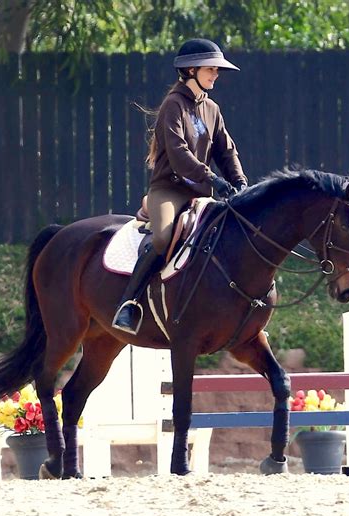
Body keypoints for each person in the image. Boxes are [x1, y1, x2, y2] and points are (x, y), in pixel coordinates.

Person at [112, 38, 248, 334]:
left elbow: (226, 151)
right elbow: (179, 154)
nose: (216, 74)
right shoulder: (172, 106)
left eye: (216, 69)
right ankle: (129, 303)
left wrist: (239, 181)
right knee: (162, 238)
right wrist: (213, 179)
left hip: (201, 193)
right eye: (211, 69)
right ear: (190, 70)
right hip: (169, 191)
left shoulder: (212, 108)